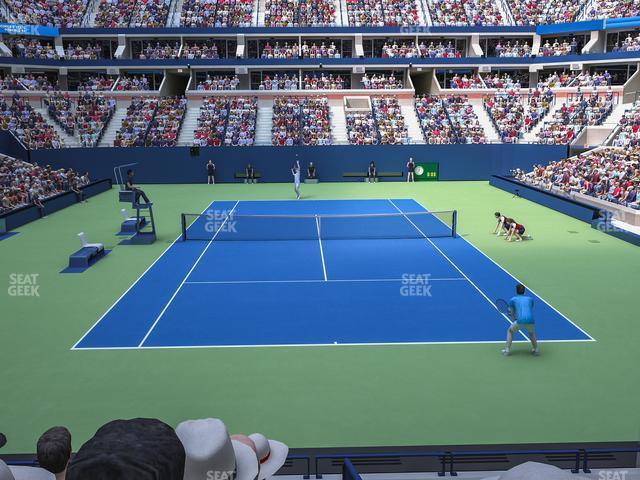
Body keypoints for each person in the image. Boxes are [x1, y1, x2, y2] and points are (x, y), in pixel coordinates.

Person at [502, 284, 538, 356]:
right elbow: (528, 308)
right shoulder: (530, 299)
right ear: (524, 291)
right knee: (531, 333)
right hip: (531, 320)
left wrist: (514, 318)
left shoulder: (513, 300)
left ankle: (507, 350)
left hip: (520, 320)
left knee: (510, 331)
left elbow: (512, 312)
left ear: (516, 291)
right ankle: (536, 349)